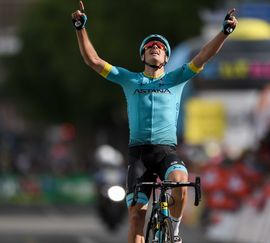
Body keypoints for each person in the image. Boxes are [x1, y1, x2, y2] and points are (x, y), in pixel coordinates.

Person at [71, 1, 238, 243]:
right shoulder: (129, 79)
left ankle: (175, 230)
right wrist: (79, 28)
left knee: (181, 181)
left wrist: (224, 33)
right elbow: (93, 61)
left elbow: (203, 56)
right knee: (137, 217)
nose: (155, 47)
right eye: (149, 46)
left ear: (167, 57)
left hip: (165, 152)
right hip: (138, 156)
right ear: (143, 55)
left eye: (160, 46)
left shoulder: (176, 78)